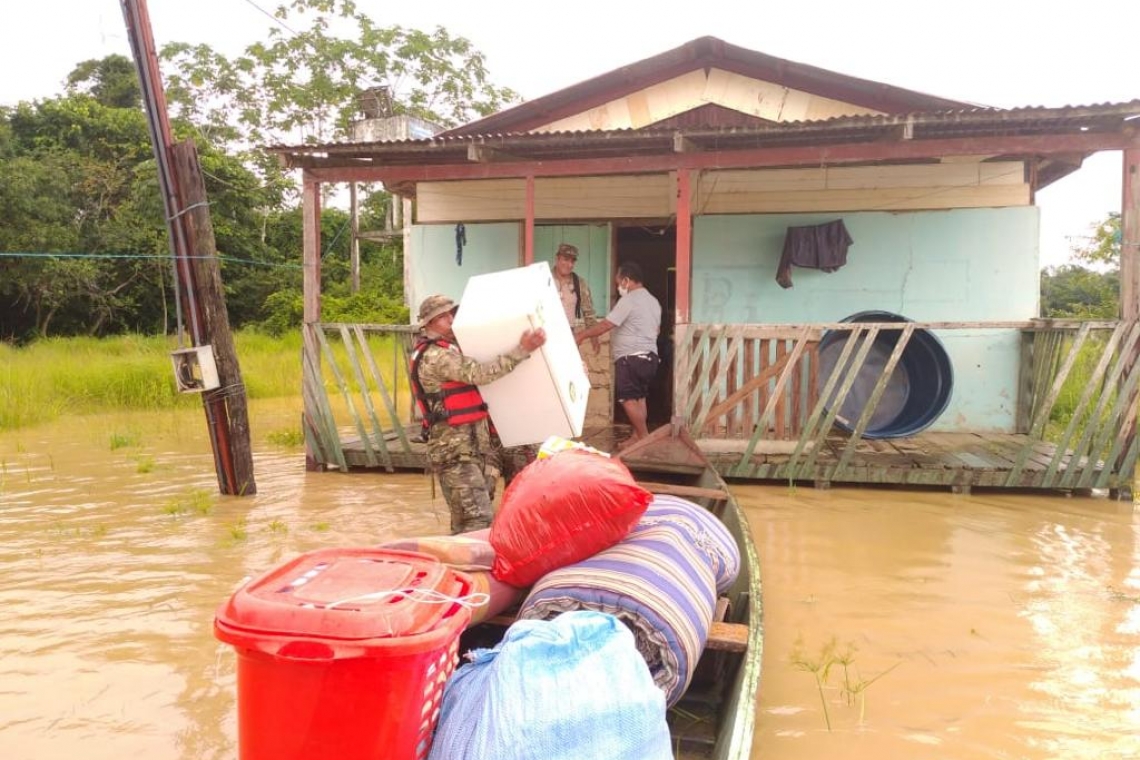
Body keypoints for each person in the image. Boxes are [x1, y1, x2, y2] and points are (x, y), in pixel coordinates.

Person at [410, 294, 547, 533]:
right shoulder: (437, 356)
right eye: (442, 318)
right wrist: (522, 349)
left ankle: (467, 565)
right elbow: (481, 374)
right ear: (429, 324)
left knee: (471, 520)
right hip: (454, 454)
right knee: (477, 521)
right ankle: (467, 568)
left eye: (451, 314)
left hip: (470, 450)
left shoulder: (451, 349)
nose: (450, 321)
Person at [573, 262, 661, 445]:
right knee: (639, 397)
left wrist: (582, 335)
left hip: (631, 358)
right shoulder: (654, 302)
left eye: (618, 282)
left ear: (627, 280)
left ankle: (644, 438)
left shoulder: (629, 300)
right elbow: (657, 330)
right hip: (650, 358)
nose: (618, 287)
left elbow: (607, 324)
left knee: (626, 397)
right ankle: (637, 436)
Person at [552, 243, 599, 352]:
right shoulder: (544, 278)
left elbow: (589, 313)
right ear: (557, 258)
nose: (569, 264)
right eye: (566, 259)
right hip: (546, 334)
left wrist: (594, 337)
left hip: (569, 334)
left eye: (572, 261)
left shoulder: (579, 283)